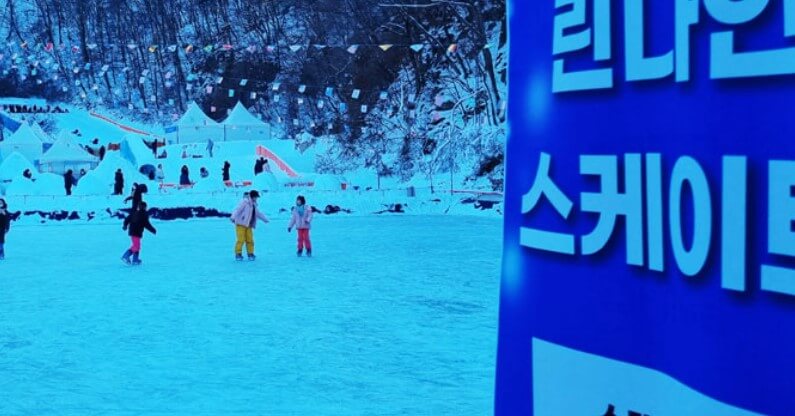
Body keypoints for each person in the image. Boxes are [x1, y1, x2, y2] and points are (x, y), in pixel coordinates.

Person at [230, 190, 269, 261]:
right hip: (240, 224)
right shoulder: (244, 202)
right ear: (252, 196)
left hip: (249, 225)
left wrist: (265, 219)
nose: (256, 199)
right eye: (255, 197)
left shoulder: (254, 205)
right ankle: (238, 254)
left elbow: (258, 213)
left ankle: (250, 253)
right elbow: (237, 210)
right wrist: (233, 217)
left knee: (250, 240)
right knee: (241, 240)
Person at [121, 201, 157, 265]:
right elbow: (146, 224)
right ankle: (126, 257)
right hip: (136, 232)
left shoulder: (135, 212)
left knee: (136, 246)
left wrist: (125, 225)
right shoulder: (144, 214)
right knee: (136, 246)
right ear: (145, 207)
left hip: (132, 231)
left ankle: (135, 259)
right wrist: (153, 230)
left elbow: (127, 219)